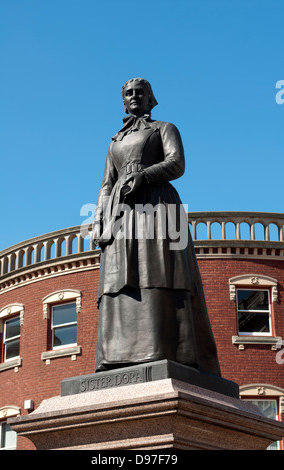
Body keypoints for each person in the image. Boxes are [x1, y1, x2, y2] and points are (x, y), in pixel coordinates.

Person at [92, 78, 221, 376]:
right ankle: (117, 355)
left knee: (160, 272)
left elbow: (177, 164)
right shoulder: (115, 142)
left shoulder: (164, 128)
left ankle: (166, 349)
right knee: (120, 278)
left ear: (151, 99)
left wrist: (146, 176)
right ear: (123, 101)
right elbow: (106, 185)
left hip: (159, 205)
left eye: (140, 92)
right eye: (128, 93)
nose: (134, 96)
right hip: (121, 213)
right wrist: (99, 221)